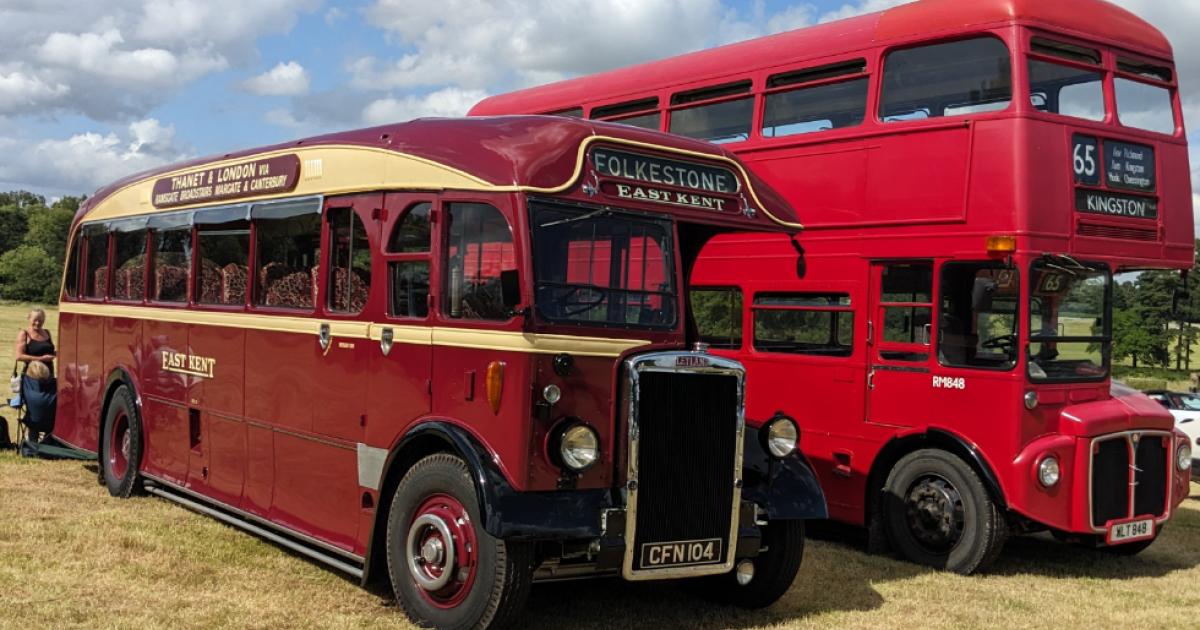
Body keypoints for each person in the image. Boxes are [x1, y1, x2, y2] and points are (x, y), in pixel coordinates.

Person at [22, 359, 56, 444]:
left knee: (33, 416)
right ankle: (48, 439)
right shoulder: (55, 384)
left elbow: (18, 402)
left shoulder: (25, 384)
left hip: (32, 422)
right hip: (52, 422)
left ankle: (33, 442)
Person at [15, 307, 55, 376]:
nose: (37, 323)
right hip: (32, 375)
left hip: (49, 373)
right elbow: (19, 356)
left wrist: (57, 354)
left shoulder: (47, 332)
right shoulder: (24, 334)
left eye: (40, 320)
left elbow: (48, 352)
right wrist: (42, 359)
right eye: (35, 320)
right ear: (29, 319)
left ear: (44, 321)